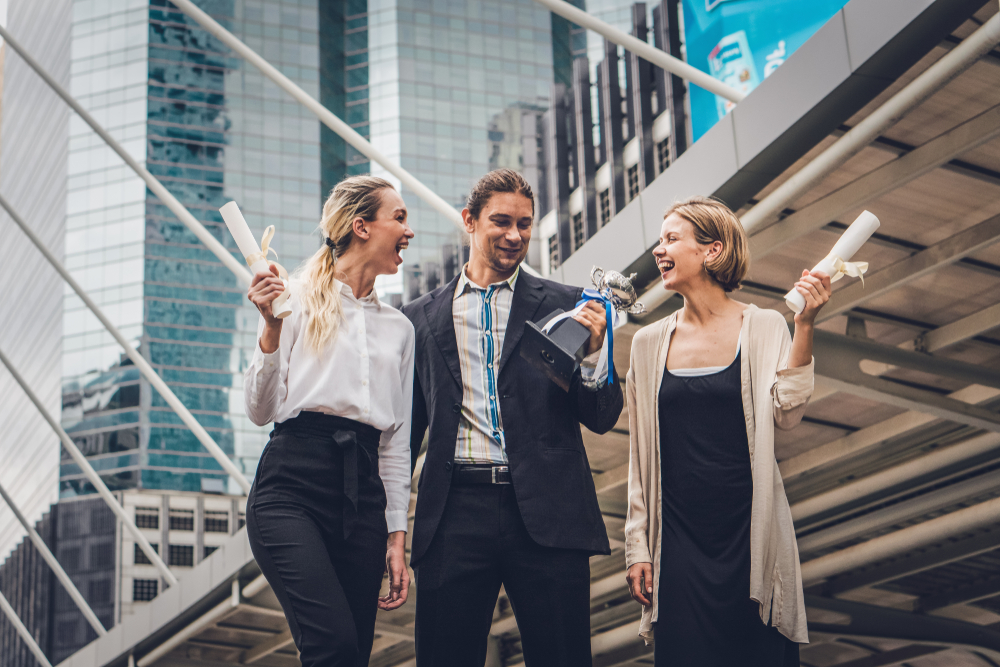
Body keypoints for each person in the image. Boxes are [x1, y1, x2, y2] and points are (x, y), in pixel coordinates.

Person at [402, 168, 624, 667]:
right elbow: (407, 433)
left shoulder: (569, 305)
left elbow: (603, 416)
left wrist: (593, 356)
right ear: (469, 220)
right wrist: (392, 528)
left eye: (524, 224)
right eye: (500, 222)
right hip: (453, 513)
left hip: (548, 511)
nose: (514, 235)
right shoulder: (416, 319)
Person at [623, 196, 831, 666]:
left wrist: (805, 325)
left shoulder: (763, 326)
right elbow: (640, 458)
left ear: (712, 250)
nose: (659, 250)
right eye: (660, 240)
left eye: (671, 239)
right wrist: (639, 545)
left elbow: (787, 413)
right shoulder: (647, 344)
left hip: (748, 535)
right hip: (676, 542)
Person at [243, 175, 415, 667]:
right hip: (290, 487)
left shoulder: (399, 330)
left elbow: (395, 444)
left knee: (353, 655)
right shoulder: (289, 299)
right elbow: (259, 411)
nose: (408, 231)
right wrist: (272, 328)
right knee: (332, 644)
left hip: (363, 496)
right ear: (361, 227)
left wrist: (395, 537)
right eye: (398, 218)